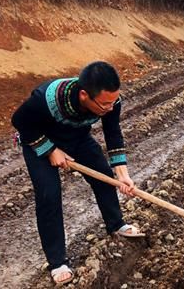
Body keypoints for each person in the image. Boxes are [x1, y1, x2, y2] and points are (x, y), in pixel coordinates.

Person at [11, 61, 144, 285]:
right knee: (49, 194)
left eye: (113, 102)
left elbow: (113, 133)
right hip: (38, 139)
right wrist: (50, 150)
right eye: (104, 105)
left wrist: (122, 174)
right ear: (84, 95)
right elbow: (20, 121)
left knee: (103, 175)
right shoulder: (46, 99)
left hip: (77, 137)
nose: (110, 108)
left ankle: (116, 224)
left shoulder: (112, 101)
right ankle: (57, 262)